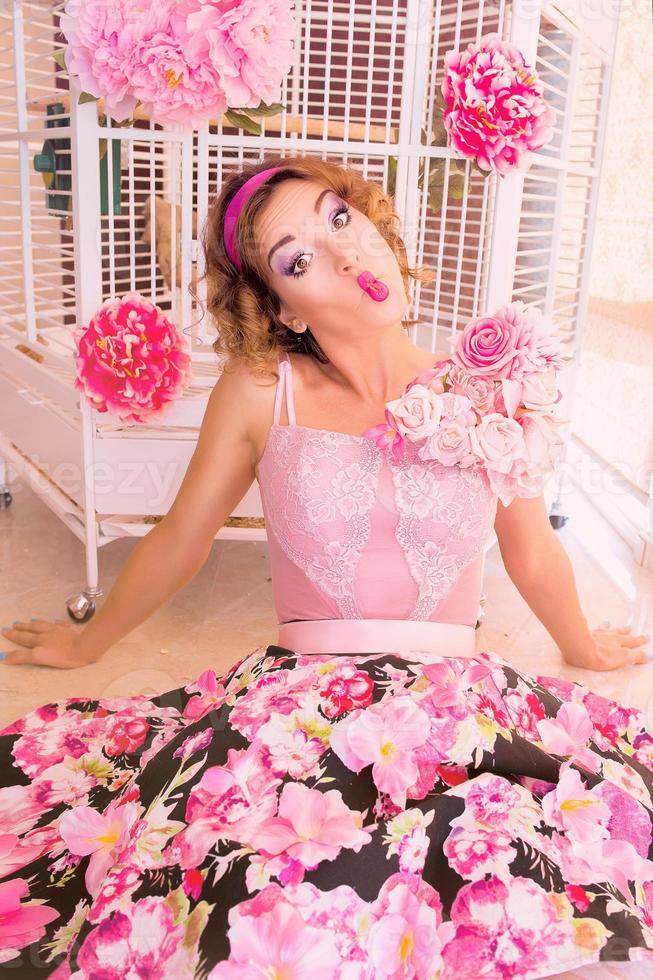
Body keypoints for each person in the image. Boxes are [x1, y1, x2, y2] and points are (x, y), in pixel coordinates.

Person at [0, 154, 651, 979]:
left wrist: (583, 646)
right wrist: (86, 644)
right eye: (296, 258)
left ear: (374, 222)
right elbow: (180, 539)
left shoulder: (489, 388)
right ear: (279, 305)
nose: (344, 257)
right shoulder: (259, 390)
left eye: (338, 218)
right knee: (273, 890)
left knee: (513, 872)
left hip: (448, 693)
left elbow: (530, 548)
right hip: (304, 698)